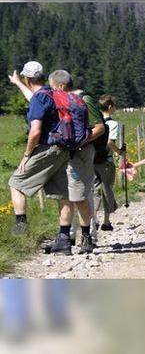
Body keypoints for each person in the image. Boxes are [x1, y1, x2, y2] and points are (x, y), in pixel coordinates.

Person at [7, 62, 70, 237]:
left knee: (16, 183)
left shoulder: (39, 98)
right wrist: (18, 83)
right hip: (63, 148)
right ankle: (65, 237)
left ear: (28, 79)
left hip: (47, 148)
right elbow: (33, 97)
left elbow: (35, 132)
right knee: (62, 194)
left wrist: (27, 155)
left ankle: (21, 226)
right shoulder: (52, 93)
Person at [70, 86, 106, 245]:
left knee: (84, 192)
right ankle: (75, 235)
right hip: (77, 151)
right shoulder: (82, 99)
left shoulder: (83, 99)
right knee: (73, 193)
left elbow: (99, 128)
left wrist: (77, 142)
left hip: (81, 151)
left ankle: (87, 235)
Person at [94, 94, 123, 231]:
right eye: (115, 106)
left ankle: (92, 219)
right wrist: (120, 152)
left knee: (93, 190)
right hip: (106, 160)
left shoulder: (95, 122)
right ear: (110, 106)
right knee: (106, 189)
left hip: (92, 160)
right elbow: (110, 142)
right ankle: (106, 221)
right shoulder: (113, 124)